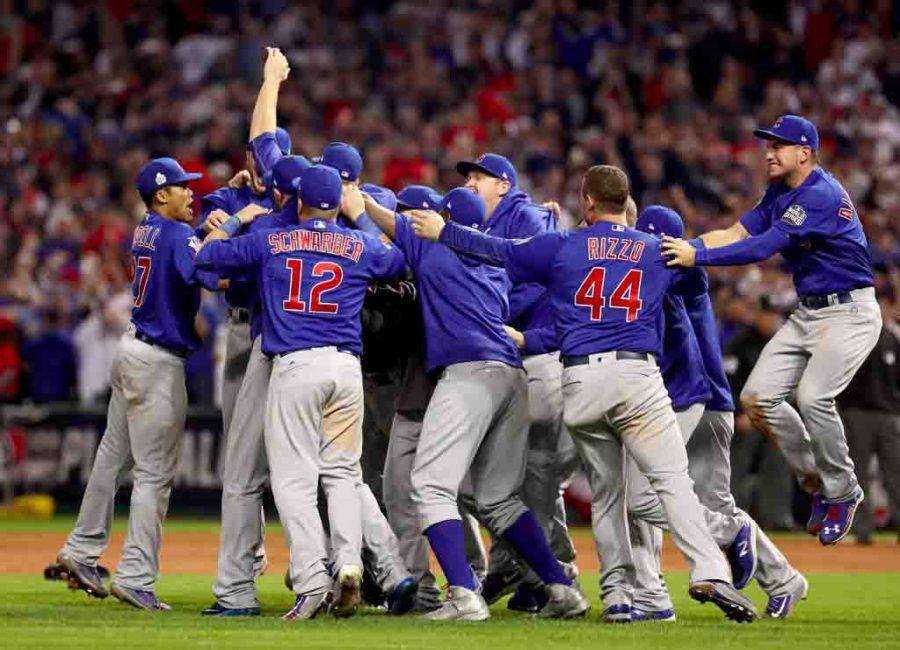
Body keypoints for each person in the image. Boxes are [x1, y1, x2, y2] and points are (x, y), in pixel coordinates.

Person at [412, 165, 758, 623]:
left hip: (583, 381)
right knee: (672, 481)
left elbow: (497, 250)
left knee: (608, 493)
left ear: (588, 201)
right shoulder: (656, 250)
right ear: (626, 201)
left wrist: (445, 231)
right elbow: (715, 263)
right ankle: (710, 568)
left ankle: (616, 596)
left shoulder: (565, 244)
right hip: (639, 377)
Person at [348, 184, 588, 621]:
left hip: (470, 373)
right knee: (498, 499)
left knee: (429, 485)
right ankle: (561, 587)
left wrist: (358, 201)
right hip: (513, 376)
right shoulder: (494, 259)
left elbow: (395, 227)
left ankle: (463, 593)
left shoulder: (435, 253)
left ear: (445, 221)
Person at [194, 164, 406, 621]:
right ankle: (349, 561)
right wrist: (364, 216)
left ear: (298, 201)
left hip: (295, 364)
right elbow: (398, 258)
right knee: (345, 475)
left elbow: (206, 260)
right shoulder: (357, 243)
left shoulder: (274, 239)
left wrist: (234, 221)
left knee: (293, 481)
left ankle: (312, 581)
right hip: (347, 369)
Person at [663, 114, 883, 545]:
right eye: (768, 144)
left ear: (805, 153)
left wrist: (698, 260)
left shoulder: (819, 194)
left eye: (779, 145)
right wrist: (688, 246)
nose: (769, 152)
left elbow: (763, 247)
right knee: (757, 398)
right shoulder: (781, 191)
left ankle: (844, 491)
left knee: (814, 396)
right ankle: (815, 481)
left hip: (850, 313)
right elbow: (737, 231)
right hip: (809, 313)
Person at [50, 158, 223, 610]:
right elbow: (206, 270)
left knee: (110, 458)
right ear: (161, 194)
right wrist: (233, 224)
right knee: (153, 475)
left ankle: (81, 550)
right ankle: (135, 577)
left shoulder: (146, 228)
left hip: (131, 351)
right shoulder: (177, 234)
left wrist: (211, 223)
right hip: (158, 362)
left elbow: (185, 244)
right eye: (183, 188)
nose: (192, 193)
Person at [633, 205, 807, 621]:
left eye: (646, 237)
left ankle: (754, 556)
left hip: (698, 400)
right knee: (694, 502)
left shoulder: (678, 271)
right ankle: (783, 579)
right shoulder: (679, 270)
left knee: (654, 496)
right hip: (699, 399)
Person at [456, 153, 579, 611]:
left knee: (534, 484)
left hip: (542, 357)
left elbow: (538, 284)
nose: (470, 183)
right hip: (521, 358)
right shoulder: (495, 223)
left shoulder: (526, 217)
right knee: (514, 483)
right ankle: (526, 569)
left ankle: (553, 574)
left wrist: (488, 310)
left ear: (503, 185)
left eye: (477, 177)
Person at [839, 301, 900, 545]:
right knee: (861, 474)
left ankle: (876, 528)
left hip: (880, 415)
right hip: (863, 414)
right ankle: (862, 529)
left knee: (891, 473)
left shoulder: (888, 339)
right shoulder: (862, 336)